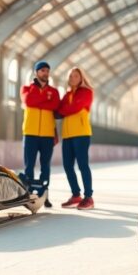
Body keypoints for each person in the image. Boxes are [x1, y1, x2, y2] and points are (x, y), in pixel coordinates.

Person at [20, 60, 60, 207]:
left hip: (47, 134)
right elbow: (29, 101)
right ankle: (28, 193)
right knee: (29, 166)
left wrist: (40, 100)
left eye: (47, 71)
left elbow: (55, 105)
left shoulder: (54, 92)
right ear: (36, 72)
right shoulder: (26, 88)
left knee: (45, 166)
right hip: (30, 133)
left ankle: (45, 194)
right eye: (42, 70)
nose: (45, 73)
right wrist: (45, 100)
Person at [58, 67, 94, 210]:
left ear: (81, 78)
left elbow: (74, 108)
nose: (73, 78)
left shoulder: (87, 92)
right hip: (67, 135)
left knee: (82, 165)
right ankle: (76, 195)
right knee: (67, 166)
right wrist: (62, 109)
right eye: (71, 76)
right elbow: (59, 108)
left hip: (81, 133)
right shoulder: (67, 94)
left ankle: (89, 197)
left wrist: (62, 110)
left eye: (76, 76)